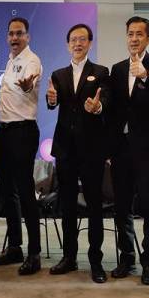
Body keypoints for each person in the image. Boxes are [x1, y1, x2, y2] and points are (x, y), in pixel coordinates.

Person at [108, 16, 149, 285]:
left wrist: (145, 76)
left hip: (146, 149)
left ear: (148, 38)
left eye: (139, 34)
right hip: (121, 149)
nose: (134, 38)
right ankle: (126, 257)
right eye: (130, 34)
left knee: (148, 207)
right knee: (121, 207)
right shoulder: (118, 69)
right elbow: (112, 110)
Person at [46, 23, 110, 283]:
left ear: (90, 43)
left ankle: (95, 260)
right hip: (65, 150)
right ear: (67, 44)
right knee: (68, 205)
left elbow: (106, 100)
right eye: (73, 39)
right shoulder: (58, 74)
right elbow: (53, 103)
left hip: (92, 149)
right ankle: (69, 257)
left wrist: (97, 107)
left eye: (82, 39)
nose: (77, 43)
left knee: (94, 205)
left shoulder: (101, 72)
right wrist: (51, 100)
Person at [0, 17, 42, 275]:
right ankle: (15, 247)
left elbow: (30, 81)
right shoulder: (10, 60)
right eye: (10, 33)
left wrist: (28, 84)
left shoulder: (31, 60)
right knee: (7, 192)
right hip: (5, 130)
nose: (14, 38)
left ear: (27, 37)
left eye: (19, 33)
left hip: (23, 131)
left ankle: (34, 253)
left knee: (24, 192)